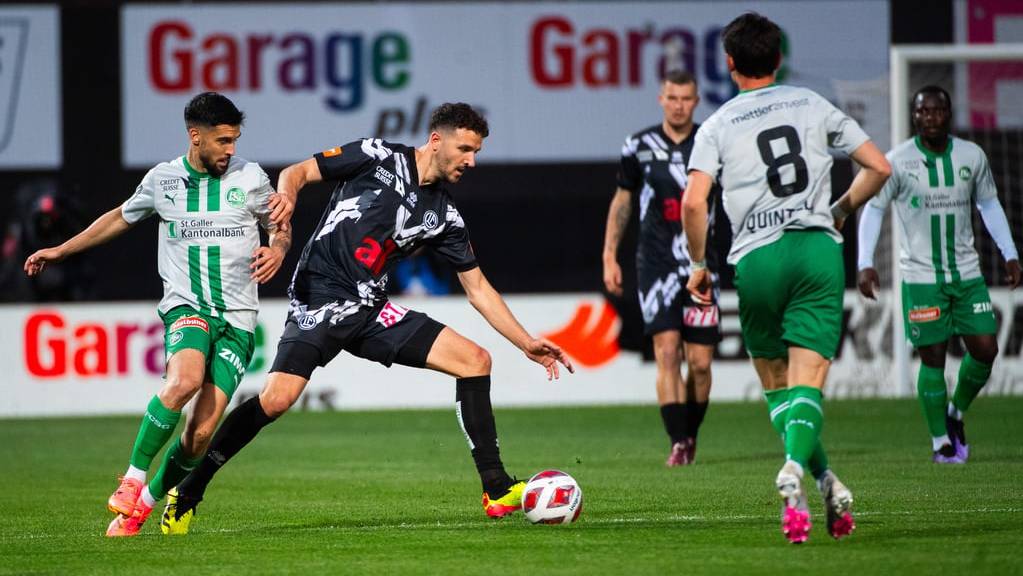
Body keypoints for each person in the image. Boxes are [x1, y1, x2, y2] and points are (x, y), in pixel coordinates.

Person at [160, 103, 574, 534]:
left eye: (476, 152)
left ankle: (496, 487)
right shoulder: (377, 154)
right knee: (277, 400)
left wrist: (525, 342)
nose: (472, 161)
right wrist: (286, 204)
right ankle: (189, 490)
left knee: (475, 360)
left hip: (371, 308)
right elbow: (297, 172)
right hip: (319, 297)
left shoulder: (445, 215)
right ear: (436, 140)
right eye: (465, 148)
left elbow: (479, 289)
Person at [24, 92, 294, 537]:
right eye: (223, 140)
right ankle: (131, 481)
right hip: (188, 307)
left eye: (235, 140)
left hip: (239, 319)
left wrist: (278, 250)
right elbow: (117, 219)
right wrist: (60, 250)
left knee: (200, 436)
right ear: (195, 136)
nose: (231, 149)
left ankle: (143, 507)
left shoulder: (250, 177)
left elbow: (279, 223)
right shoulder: (163, 180)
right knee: (184, 380)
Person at [681, 13, 891, 543]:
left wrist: (700, 266)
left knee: (777, 385)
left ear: (729, 64)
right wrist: (840, 211)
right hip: (816, 251)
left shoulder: (717, 124)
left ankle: (817, 479)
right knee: (808, 382)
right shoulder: (813, 105)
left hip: (755, 260)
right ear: (778, 58)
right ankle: (802, 472)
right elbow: (880, 168)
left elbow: (692, 202)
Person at [857, 85, 1021, 464]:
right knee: (933, 359)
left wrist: (1010, 254)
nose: (930, 117)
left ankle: (956, 412)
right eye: (922, 111)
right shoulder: (897, 161)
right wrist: (866, 261)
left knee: (985, 349)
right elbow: (874, 209)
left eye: (937, 110)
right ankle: (939, 443)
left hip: (966, 273)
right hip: (920, 276)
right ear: (914, 116)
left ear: (949, 114)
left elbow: (989, 204)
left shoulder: (971, 156)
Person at [602, 71, 720, 467]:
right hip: (654, 264)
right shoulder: (639, 145)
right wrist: (609, 255)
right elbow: (622, 202)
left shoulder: (711, 143)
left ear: (696, 100)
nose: (679, 105)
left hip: (701, 265)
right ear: (661, 99)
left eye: (686, 98)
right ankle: (678, 441)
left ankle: (691, 433)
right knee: (667, 352)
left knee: (700, 365)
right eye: (672, 97)